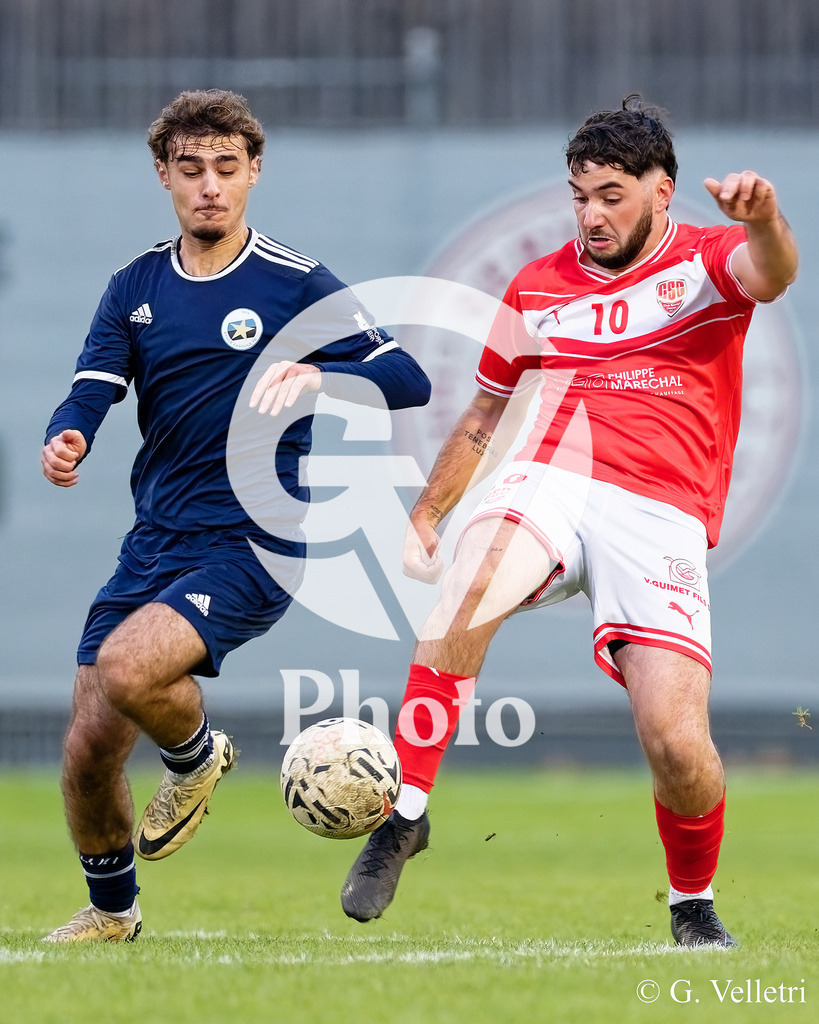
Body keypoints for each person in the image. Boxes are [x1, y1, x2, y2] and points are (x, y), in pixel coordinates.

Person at [340, 96, 798, 947]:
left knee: (675, 744)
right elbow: (484, 414)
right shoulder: (536, 286)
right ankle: (405, 813)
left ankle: (691, 903)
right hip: (550, 477)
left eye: (611, 196)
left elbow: (771, 274)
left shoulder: (707, 261)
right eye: (580, 196)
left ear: (661, 191)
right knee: (471, 583)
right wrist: (430, 510)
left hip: (659, 512)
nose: (591, 215)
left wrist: (765, 218)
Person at [40, 88, 430, 942]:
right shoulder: (135, 285)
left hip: (256, 541)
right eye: (191, 169)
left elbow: (408, 378)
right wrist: (67, 434)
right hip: (154, 541)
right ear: (163, 175)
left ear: (255, 171)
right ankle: (113, 914)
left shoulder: (295, 282)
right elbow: (92, 385)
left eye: (226, 167)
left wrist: (322, 377)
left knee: (129, 669)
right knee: (87, 749)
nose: (209, 185)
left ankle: (195, 756)